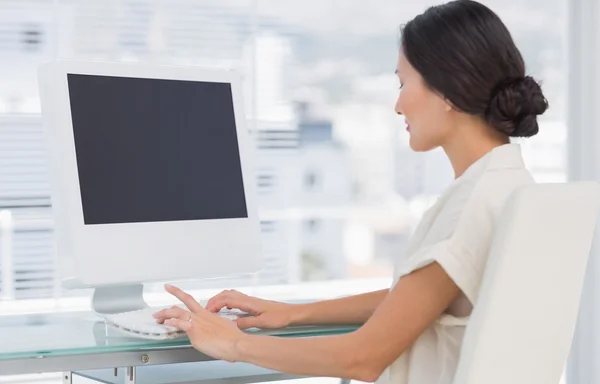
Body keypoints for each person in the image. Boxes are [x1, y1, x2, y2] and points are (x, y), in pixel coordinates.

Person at [153, 0, 548, 382]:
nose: (397, 105)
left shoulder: (469, 207)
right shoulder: (508, 185)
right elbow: (414, 304)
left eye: (403, 83)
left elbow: (363, 359)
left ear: (447, 91)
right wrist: (293, 313)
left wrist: (233, 345)